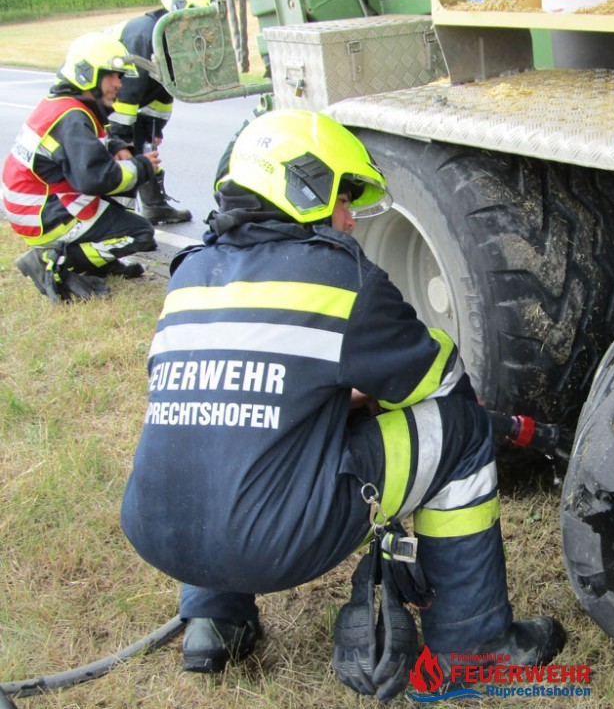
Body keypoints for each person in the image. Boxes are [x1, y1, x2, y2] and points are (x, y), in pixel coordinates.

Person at [119, 110, 565, 698]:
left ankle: (214, 621)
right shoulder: (337, 277)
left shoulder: (191, 273)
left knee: (217, 432)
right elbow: (436, 377)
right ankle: (473, 645)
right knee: (459, 430)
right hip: (272, 541)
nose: (350, 220)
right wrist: (369, 393)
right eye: (342, 199)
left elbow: (224, 395)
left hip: (157, 531)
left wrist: (329, 397)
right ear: (300, 187)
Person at [2, 32, 160, 302]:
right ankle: (52, 263)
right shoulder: (72, 117)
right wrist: (142, 166)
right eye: (112, 75)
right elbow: (96, 178)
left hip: (38, 203)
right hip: (44, 212)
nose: (118, 84)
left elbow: (87, 146)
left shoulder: (67, 106)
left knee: (124, 182)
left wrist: (116, 147)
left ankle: (102, 262)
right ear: (88, 74)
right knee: (141, 233)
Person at [105, 0, 212, 226]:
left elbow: (163, 90)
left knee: (144, 147)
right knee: (121, 150)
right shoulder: (144, 36)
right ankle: (116, 219)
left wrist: (155, 128)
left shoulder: (173, 41)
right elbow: (126, 97)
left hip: (123, 97)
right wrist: (120, 140)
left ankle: (153, 206)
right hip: (102, 95)